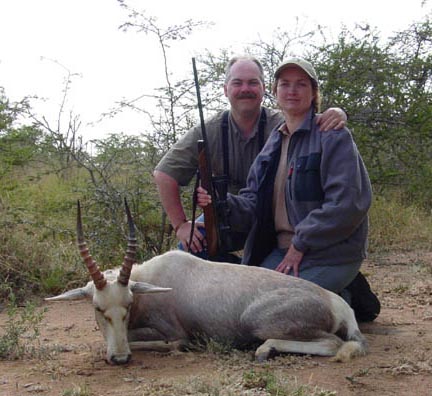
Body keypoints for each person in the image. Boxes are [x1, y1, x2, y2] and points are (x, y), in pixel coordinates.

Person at [197, 57, 380, 322]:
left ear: (314, 92)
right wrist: (220, 201)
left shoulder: (333, 136)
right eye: (285, 84)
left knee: (273, 310)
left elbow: (348, 204)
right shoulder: (274, 142)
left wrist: (301, 242)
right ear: (275, 92)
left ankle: (338, 301)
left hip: (327, 253)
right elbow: (251, 204)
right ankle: (338, 297)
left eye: (301, 84)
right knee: (246, 307)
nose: (292, 91)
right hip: (283, 252)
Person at [153, 55, 347, 258]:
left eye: (253, 83)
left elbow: (314, 124)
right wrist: (180, 225)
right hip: (227, 216)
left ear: (264, 88)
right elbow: (164, 174)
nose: (245, 89)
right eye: (237, 83)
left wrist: (337, 113)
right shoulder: (207, 130)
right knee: (190, 250)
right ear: (226, 89)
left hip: (276, 219)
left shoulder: (284, 123)